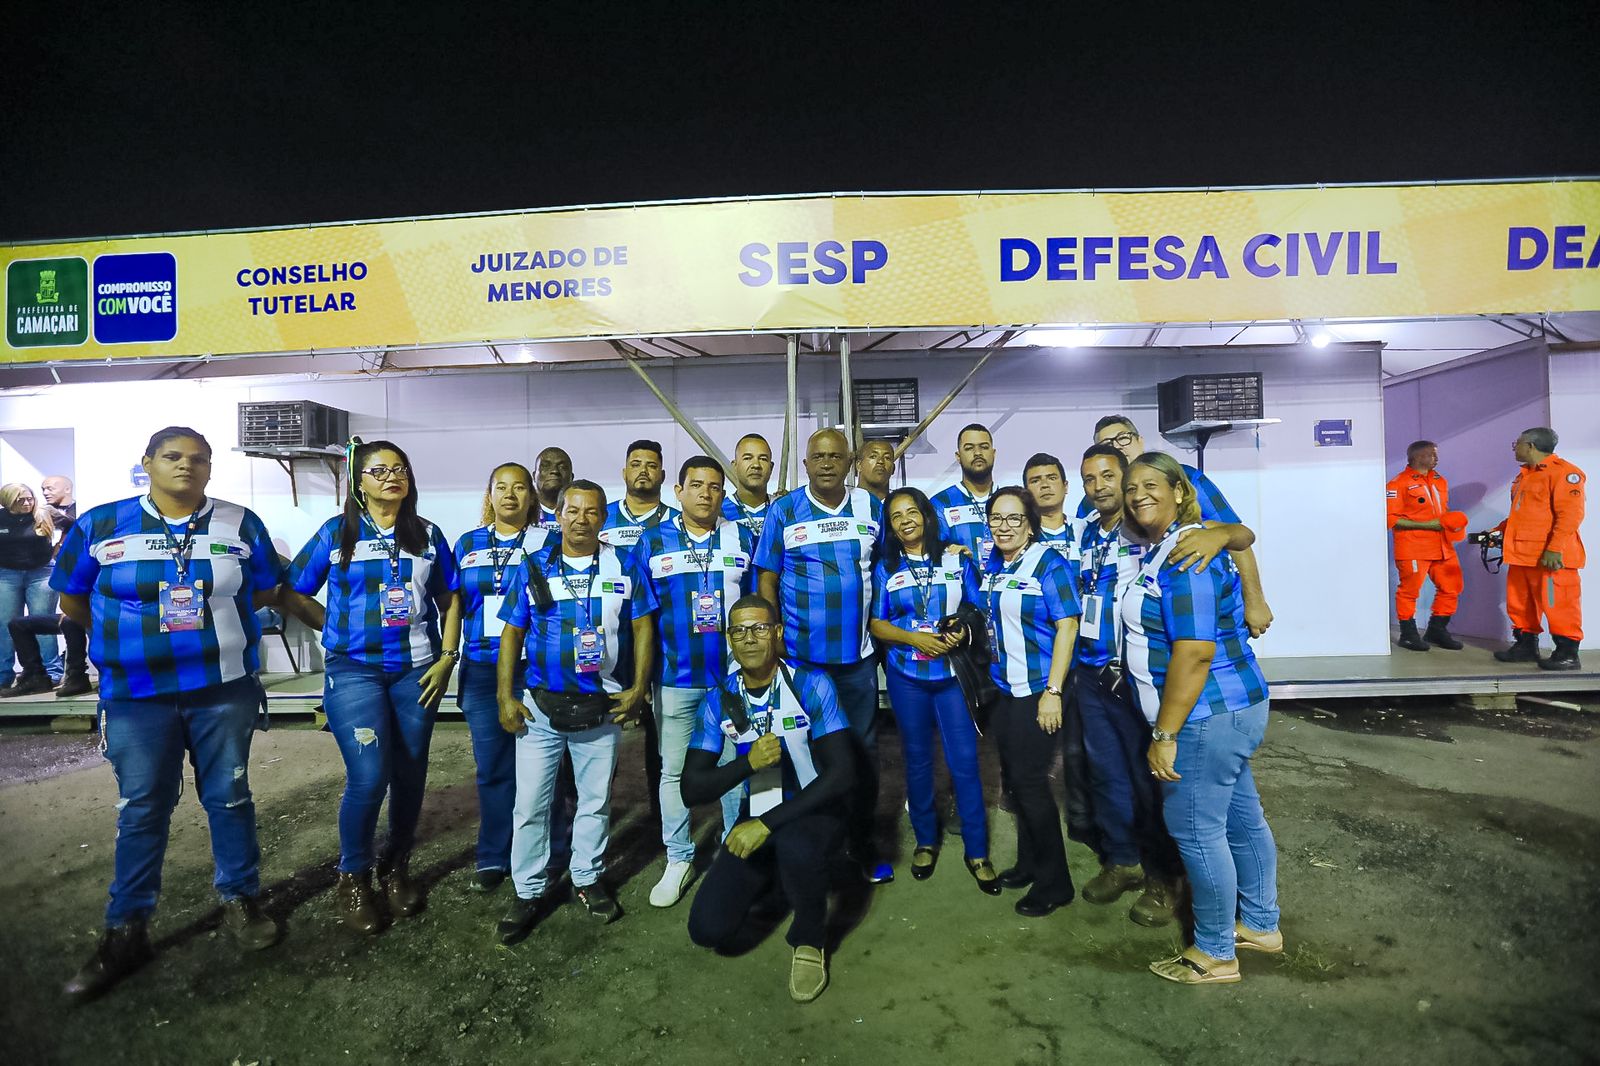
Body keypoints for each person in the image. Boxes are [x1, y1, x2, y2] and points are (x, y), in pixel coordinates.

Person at [51, 427, 287, 1000]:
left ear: (210, 468)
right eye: (173, 457)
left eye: (198, 459)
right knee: (142, 807)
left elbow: (261, 592)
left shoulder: (240, 523)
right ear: (148, 463)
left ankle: (240, 898)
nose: (186, 466)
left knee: (229, 798)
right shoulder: (101, 524)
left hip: (222, 690)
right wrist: (128, 643)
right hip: (137, 695)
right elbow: (72, 599)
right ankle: (126, 928)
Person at [283, 439, 462, 934]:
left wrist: (448, 658)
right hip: (354, 670)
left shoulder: (427, 534)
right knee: (369, 775)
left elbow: (450, 600)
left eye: (400, 469)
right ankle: (354, 876)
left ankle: (396, 865)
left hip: (417, 670)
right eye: (379, 471)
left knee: (410, 772)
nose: (392, 477)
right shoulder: (337, 532)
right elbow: (292, 590)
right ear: (358, 482)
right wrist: (334, 628)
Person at [1120, 451, 1280, 985]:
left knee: (1195, 830)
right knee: (1240, 819)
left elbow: (1193, 654)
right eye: (1131, 488)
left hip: (1205, 715)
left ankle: (1214, 953)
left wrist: (1164, 734)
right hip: (1226, 710)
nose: (1138, 495)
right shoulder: (1174, 545)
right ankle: (1260, 924)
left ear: (1178, 491)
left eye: (1151, 485)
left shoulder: (1187, 555)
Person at [495, 480, 656, 941]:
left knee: (594, 801)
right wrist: (506, 697)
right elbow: (511, 632)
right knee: (530, 804)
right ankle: (528, 890)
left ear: (604, 518)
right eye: (573, 511)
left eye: (591, 512)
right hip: (540, 708)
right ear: (558, 516)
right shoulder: (534, 566)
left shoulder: (625, 564)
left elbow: (643, 626)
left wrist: (638, 688)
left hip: (600, 707)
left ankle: (586, 877)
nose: (581, 520)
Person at [682, 594, 856, 1003]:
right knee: (708, 930)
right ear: (729, 639)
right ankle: (780, 881)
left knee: (796, 846)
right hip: (760, 804)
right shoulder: (719, 698)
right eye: (739, 631)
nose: (749, 638)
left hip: (817, 807)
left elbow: (843, 774)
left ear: (777, 632)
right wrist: (747, 765)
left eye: (759, 628)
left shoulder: (811, 683)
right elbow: (692, 788)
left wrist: (765, 825)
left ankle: (810, 938)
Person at [755, 428, 888, 882]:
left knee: (862, 751)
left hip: (857, 659)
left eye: (835, 456)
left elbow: (886, 566)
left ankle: (860, 842)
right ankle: (807, 851)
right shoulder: (783, 510)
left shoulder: (870, 507)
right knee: (803, 755)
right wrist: (773, 639)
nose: (827, 463)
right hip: (802, 663)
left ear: (850, 463)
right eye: (818, 456)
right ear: (806, 464)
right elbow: (767, 577)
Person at [632, 456, 755, 907]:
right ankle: (679, 857)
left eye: (715, 486)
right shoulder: (652, 541)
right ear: (678, 491)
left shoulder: (742, 536)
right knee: (674, 771)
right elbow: (641, 619)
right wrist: (641, 680)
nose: (706, 493)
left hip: (732, 680)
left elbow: (758, 604)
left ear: (723, 493)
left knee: (735, 767)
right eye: (697, 485)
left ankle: (733, 847)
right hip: (675, 679)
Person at [868, 487, 996, 893]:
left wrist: (961, 630)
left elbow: (977, 610)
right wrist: (914, 639)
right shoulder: (886, 568)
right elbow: (877, 624)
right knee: (918, 760)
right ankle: (926, 841)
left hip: (952, 677)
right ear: (890, 527)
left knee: (964, 761)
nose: (905, 520)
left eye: (912, 512)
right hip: (907, 675)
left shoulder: (955, 559)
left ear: (926, 515)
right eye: (896, 516)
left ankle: (977, 850)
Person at [980, 487, 1081, 917]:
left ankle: (1056, 883)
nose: (1004, 527)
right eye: (996, 518)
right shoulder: (995, 563)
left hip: (1039, 690)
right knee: (1016, 783)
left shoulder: (1048, 563)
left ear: (1030, 524)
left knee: (1031, 785)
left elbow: (1068, 626)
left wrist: (1053, 692)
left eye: (1014, 519)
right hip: (1005, 690)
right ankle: (1029, 863)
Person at [452, 462, 552, 891]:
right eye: (501, 487)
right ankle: (494, 854)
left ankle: (551, 850)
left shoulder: (548, 541)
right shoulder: (467, 543)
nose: (510, 495)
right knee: (493, 767)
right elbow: (453, 602)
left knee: (545, 768)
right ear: (489, 495)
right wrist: (448, 653)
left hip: (535, 665)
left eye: (519, 487)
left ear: (532, 496)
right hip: (481, 666)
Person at [1084, 415, 1274, 638]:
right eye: (1106, 444)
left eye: (1123, 438)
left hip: (1192, 604)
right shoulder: (1095, 499)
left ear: (1140, 441)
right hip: (1131, 624)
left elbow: (1236, 536)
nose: (1117, 446)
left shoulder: (1184, 477)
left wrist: (1255, 601)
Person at [1491, 427, 1585, 670]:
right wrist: (1497, 532)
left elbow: (1570, 515)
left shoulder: (1564, 473)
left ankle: (1567, 653)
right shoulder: (1525, 475)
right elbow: (1522, 515)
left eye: (1518, 443)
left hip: (1550, 557)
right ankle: (1525, 646)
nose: (1515, 448)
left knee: (1559, 604)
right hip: (1522, 555)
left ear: (1530, 446)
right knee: (1520, 603)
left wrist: (1555, 548)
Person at [1387, 440, 1465, 652]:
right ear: (1418, 457)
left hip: (1443, 545)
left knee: (1452, 587)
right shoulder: (1397, 484)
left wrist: (1453, 523)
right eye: (1432, 454)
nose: (1436, 458)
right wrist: (1427, 525)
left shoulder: (1440, 480)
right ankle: (1408, 634)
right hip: (1414, 547)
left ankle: (1437, 629)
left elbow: (1442, 512)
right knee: (1409, 591)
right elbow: (1390, 519)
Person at [0, 483, 61, 692]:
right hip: (6, 574)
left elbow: (74, 526)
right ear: (8, 501)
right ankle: (4, 674)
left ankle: (51, 672)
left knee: (42, 621)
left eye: (30, 498)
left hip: (41, 572)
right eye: (20, 500)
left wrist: (59, 547)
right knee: (5, 625)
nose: (27, 503)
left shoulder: (43, 513)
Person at [598, 439, 679, 551]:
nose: (643, 471)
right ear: (624, 474)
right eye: (636, 465)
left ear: (662, 476)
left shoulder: (678, 520)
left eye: (651, 466)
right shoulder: (601, 516)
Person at [931, 424, 998, 558]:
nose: (977, 453)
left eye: (984, 447)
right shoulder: (940, 503)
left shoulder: (1011, 501)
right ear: (958, 456)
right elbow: (934, 552)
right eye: (969, 448)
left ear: (994, 453)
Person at [2, 611, 92, 697]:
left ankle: (77, 677)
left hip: (93, 614)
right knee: (17, 624)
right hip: (77, 613)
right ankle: (34, 677)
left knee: (70, 621)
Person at [1024, 452, 1079, 559]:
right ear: (1026, 492)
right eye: (1035, 481)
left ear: (1065, 486)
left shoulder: (1086, 530)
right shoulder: (1020, 534)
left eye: (1052, 478)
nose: (1045, 485)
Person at [722, 433, 774, 539]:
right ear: (734, 466)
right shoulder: (720, 511)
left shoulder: (783, 508)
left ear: (771, 467)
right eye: (747, 458)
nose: (756, 465)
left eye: (763, 459)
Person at [533, 446, 574, 530]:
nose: (554, 471)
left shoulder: (583, 514)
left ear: (571, 477)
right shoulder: (522, 512)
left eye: (562, 467)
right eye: (545, 466)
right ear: (534, 476)